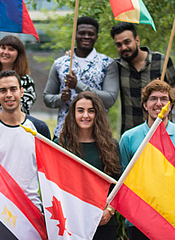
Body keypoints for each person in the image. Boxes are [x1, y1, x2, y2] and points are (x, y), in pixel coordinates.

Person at [118, 80, 175, 239]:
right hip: (139, 220)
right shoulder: (129, 138)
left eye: (164, 99)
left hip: (174, 220)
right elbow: (123, 179)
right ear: (144, 104)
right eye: (153, 99)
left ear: (170, 105)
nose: (159, 103)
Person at [0, 70, 51, 208]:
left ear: (22, 92)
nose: (9, 95)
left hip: (31, 210)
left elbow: (51, 176)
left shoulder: (39, 129)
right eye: (3, 91)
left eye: (13, 89)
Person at [58, 91, 121, 240]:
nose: (85, 115)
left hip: (103, 223)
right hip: (71, 223)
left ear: (97, 114)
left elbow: (119, 185)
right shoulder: (61, 146)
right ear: (73, 114)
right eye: (80, 110)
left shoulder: (111, 146)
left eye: (91, 111)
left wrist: (110, 211)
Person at [44, 16, 118, 138]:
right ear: (75, 35)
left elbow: (109, 99)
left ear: (96, 37)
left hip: (96, 134)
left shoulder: (107, 63)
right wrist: (61, 98)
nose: (86, 37)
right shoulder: (60, 63)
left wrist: (77, 86)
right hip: (64, 133)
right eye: (82, 33)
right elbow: (47, 98)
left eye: (91, 34)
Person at [110, 22, 175, 134]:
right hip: (132, 132)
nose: (124, 47)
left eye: (127, 42)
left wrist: (160, 91)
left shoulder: (161, 61)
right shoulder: (117, 66)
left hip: (161, 128)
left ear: (137, 40)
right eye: (119, 45)